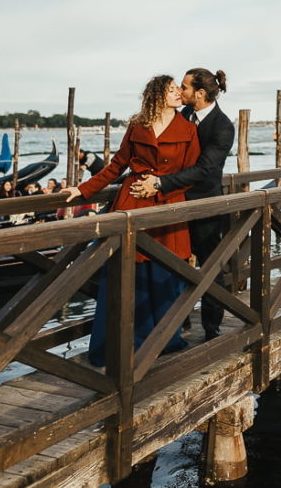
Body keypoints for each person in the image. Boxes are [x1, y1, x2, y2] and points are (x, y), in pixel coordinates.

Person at [64, 75, 201, 367]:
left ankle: (163, 340)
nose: (179, 93)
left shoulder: (188, 129)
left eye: (179, 89)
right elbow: (116, 165)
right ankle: (118, 344)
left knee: (166, 270)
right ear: (157, 95)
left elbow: (192, 174)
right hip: (132, 202)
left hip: (169, 206)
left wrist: (160, 185)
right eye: (172, 89)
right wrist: (82, 189)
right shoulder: (137, 125)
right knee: (126, 272)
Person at [130, 68, 233, 340]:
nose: (180, 91)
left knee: (209, 267)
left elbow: (206, 169)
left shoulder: (223, 126)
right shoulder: (183, 115)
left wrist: (160, 183)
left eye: (185, 87)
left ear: (199, 93)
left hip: (204, 205)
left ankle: (212, 327)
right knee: (174, 262)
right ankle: (178, 323)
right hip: (175, 203)